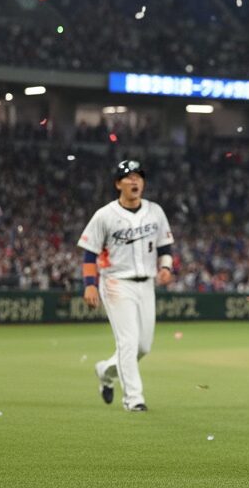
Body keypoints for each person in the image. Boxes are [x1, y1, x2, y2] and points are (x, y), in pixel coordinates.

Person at [78, 159, 174, 412]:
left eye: (138, 177)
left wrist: (166, 268)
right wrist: (90, 284)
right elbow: (89, 254)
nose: (134, 181)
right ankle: (134, 399)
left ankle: (105, 372)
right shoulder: (105, 215)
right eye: (129, 177)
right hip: (116, 283)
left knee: (143, 347)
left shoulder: (155, 211)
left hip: (147, 284)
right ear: (118, 184)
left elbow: (165, 247)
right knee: (128, 343)